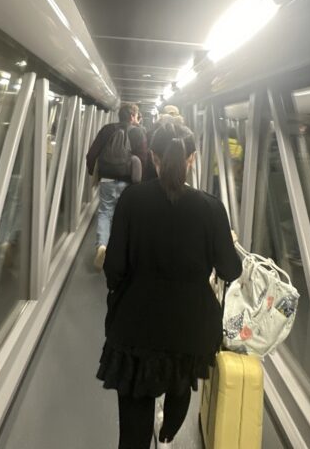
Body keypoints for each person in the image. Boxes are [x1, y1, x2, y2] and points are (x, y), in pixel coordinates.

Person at [97, 123, 242, 449]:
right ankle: (168, 433)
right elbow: (230, 270)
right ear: (192, 158)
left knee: (132, 432)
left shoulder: (132, 200)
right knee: (180, 381)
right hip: (190, 330)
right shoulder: (210, 207)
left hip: (136, 327)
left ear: (152, 156)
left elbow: (114, 267)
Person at [86, 103, 147, 269]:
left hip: (107, 178)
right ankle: (121, 253)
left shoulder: (107, 129)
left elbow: (91, 154)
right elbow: (143, 159)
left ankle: (102, 246)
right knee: (125, 216)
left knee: (105, 212)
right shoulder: (138, 132)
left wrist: (94, 172)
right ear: (133, 116)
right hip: (129, 181)